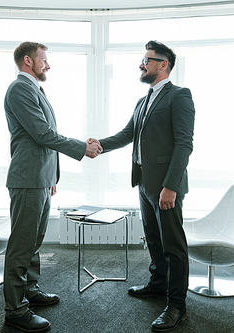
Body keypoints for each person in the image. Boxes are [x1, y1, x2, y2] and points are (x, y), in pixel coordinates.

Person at [89, 40, 195, 332]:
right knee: (154, 239)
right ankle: (158, 284)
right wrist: (98, 145)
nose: (141, 64)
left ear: (164, 64)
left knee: (174, 246)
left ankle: (177, 306)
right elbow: (127, 134)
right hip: (145, 184)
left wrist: (171, 186)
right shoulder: (143, 100)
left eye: (147, 60)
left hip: (165, 187)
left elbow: (184, 144)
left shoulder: (179, 95)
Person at [3, 41, 102, 332]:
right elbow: (43, 134)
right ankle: (15, 309)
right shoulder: (20, 89)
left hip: (40, 179)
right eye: (43, 59)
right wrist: (82, 147)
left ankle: (29, 291)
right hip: (27, 180)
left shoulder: (34, 89)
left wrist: (51, 178)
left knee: (33, 242)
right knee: (22, 246)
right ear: (27, 61)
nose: (48, 65)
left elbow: (42, 139)